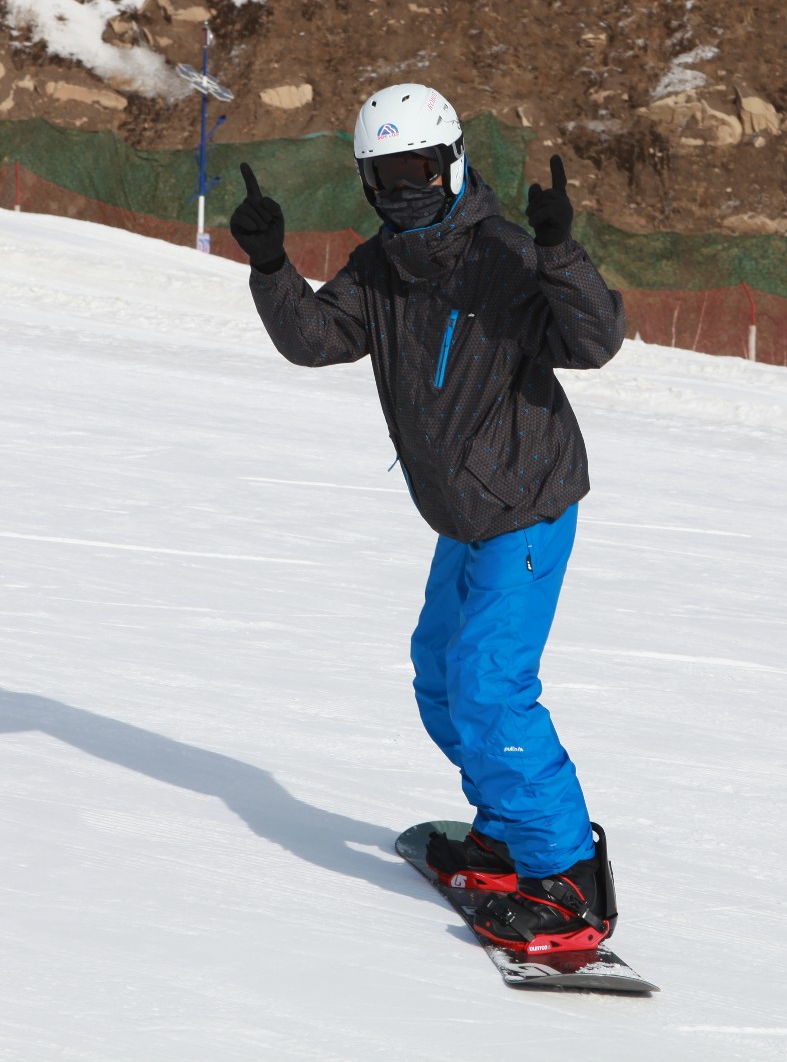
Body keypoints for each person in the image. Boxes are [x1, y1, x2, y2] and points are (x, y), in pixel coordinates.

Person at [230, 83, 629, 954]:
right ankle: (503, 829)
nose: (405, 188)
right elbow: (317, 338)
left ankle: (568, 878)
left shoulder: (507, 256)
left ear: (451, 162)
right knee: (441, 676)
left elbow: (594, 342)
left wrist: (561, 252)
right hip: (461, 512)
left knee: (490, 683)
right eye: (386, 173)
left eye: (417, 168)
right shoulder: (382, 265)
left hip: (524, 504)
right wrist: (271, 267)